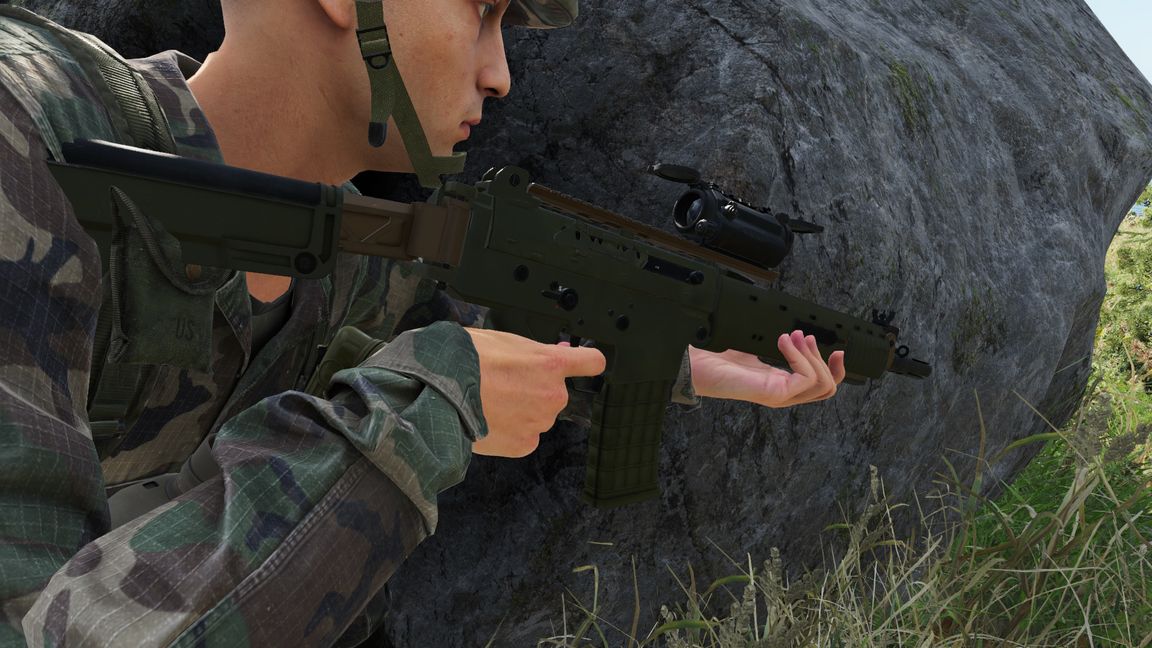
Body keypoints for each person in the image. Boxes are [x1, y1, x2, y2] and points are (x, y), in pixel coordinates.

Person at [0, 0, 846, 644]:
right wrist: (424, 410)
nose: (500, 74)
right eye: (480, 11)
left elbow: (484, 336)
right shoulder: (22, 129)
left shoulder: (351, 269)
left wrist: (677, 360)